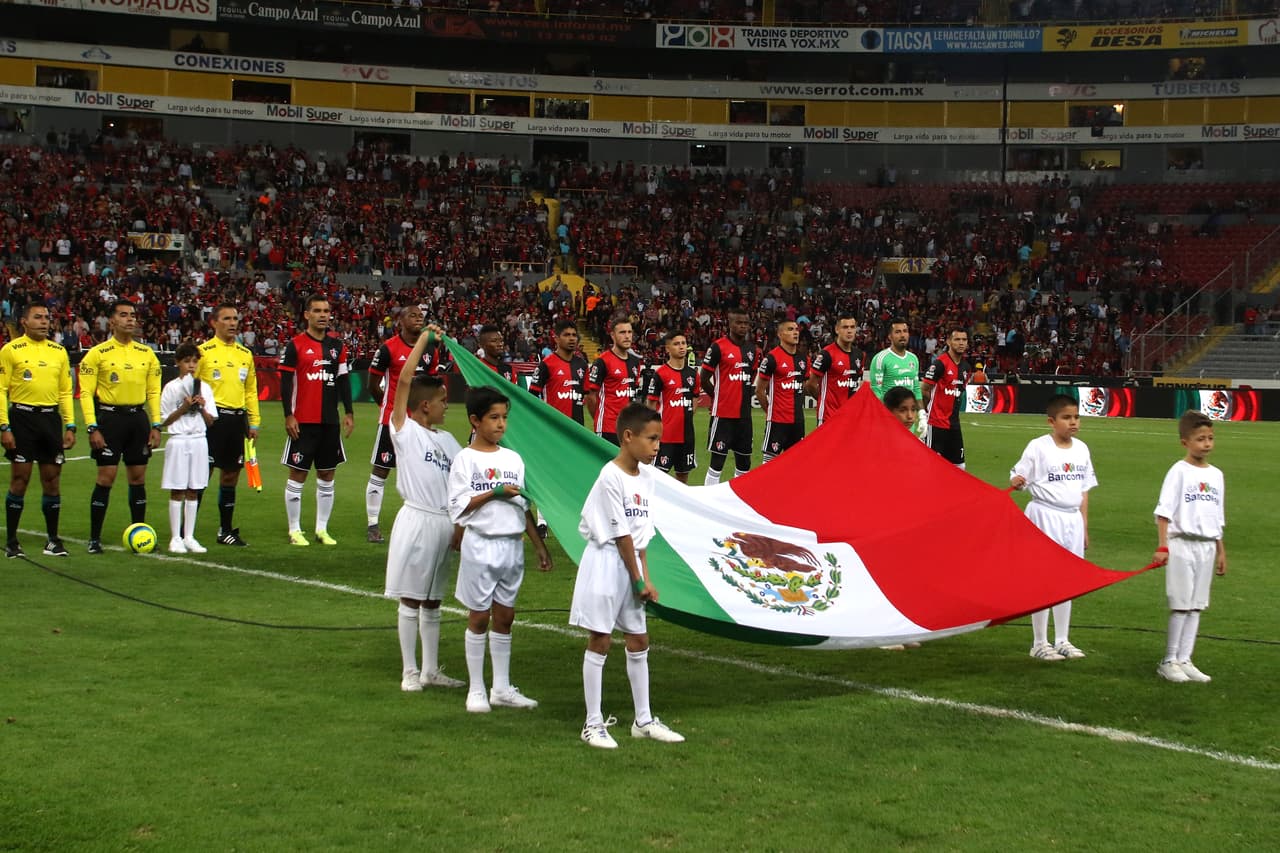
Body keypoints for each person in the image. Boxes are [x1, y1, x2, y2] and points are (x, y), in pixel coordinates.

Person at [571, 403, 685, 749]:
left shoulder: (647, 478)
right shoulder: (610, 476)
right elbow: (620, 535)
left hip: (631, 561)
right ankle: (592, 723)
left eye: (659, 440)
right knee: (600, 640)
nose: (657, 446)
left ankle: (643, 719)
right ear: (628, 437)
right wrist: (638, 581)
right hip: (606, 563)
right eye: (651, 439)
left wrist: (645, 577)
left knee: (638, 641)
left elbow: (640, 536)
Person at [448, 385, 552, 713]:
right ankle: (476, 689)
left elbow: (522, 506)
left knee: (505, 615)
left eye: (504, 417)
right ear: (475, 421)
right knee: (479, 616)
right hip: (481, 544)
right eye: (494, 417)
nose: (501, 424)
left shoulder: (513, 459)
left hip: (511, 546)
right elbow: (458, 507)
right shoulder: (465, 459)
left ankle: (502, 687)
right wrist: (493, 492)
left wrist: (538, 547)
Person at [382, 324, 466, 692]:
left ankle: (431, 669)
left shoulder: (448, 440)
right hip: (417, 518)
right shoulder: (404, 430)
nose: (447, 406)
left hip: (444, 523)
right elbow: (402, 383)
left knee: (433, 600)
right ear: (425, 406)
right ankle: (409, 671)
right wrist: (423, 340)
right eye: (443, 401)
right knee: (411, 597)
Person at [1010, 394, 1097, 661]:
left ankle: (1062, 639)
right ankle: (1039, 642)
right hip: (1044, 516)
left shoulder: (1082, 449)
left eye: (1076, 417)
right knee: (1043, 578)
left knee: (1067, 580)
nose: (1073, 422)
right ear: (1052, 421)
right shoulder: (1038, 447)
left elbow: (1084, 490)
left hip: (1071, 519)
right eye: (1066, 417)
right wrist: (1018, 480)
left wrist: (1084, 525)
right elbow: (1017, 474)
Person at [79, 300, 162, 554]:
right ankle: (94, 539)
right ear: (111, 321)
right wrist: (92, 428)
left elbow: (153, 391)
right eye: (123, 315)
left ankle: (140, 533)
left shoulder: (147, 354)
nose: (130, 319)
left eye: (133, 315)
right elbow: (85, 393)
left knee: (138, 478)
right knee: (106, 477)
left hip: (138, 419)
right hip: (110, 419)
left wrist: (156, 424)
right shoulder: (97, 354)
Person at [1152, 411, 1226, 683]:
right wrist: (1163, 546)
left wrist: (1221, 551)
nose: (1206, 444)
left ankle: (1186, 658)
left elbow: (1217, 516)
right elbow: (1164, 512)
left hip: (1206, 546)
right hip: (1182, 544)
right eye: (1200, 439)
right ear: (1185, 442)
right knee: (1181, 604)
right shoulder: (1178, 472)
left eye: (1210, 438)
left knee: (1196, 606)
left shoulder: (1217, 475)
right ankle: (1169, 660)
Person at [0, 304, 75, 558]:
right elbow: (1, 390)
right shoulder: (11, 350)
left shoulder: (59, 352)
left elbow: (65, 391)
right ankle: (11, 541)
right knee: (20, 480)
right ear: (24, 321)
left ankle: (53, 541)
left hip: (50, 420)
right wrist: (4, 427)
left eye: (47, 318)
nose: (44, 322)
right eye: (38, 317)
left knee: (52, 480)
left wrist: (70, 425)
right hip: (22, 418)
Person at [278, 295, 354, 546]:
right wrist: (288, 414)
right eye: (317, 311)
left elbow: (343, 380)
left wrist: (349, 412)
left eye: (326, 311)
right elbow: (286, 381)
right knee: (297, 474)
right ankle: (294, 530)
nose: (323, 315)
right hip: (303, 421)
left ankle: (322, 530)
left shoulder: (337, 347)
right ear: (307, 315)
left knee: (327, 475)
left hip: (330, 422)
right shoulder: (295, 345)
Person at [365, 305, 440, 544]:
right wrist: (387, 409)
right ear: (400, 321)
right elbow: (373, 384)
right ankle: (373, 524)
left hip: (419, 423)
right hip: (393, 421)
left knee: (423, 472)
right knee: (381, 469)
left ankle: (422, 522)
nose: (418, 318)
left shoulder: (430, 350)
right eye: (413, 315)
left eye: (421, 316)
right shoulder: (388, 348)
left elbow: (431, 385)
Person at [197, 303, 260, 548]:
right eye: (227, 318)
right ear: (214, 322)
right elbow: (191, 387)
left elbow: (251, 391)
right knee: (202, 476)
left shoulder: (245, 354)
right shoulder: (203, 352)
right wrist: (200, 412)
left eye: (235, 318)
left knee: (231, 476)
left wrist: (254, 422)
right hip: (211, 421)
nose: (233, 323)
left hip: (236, 420)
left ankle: (225, 530)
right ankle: (186, 530)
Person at [159, 342, 218, 554]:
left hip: (199, 439)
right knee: (178, 488)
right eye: (186, 361)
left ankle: (189, 536)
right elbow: (165, 420)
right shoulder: (171, 388)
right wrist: (184, 408)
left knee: (194, 489)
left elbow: (211, 421)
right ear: (178, 363)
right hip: (179, 438)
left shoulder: (205, 388)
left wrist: (201, 407)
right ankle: (175, 537)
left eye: (194, 361)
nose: (191, 366)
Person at [700, 309, 758, 485]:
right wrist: (717, 396)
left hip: (745, 417)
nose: (742, 326)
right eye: (739, 323)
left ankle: (737, 504)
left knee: (744, 464)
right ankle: (709, 504)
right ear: (730, 324)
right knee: (717, 463)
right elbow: (703, 379)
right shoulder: (718, 347)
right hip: (723, 415)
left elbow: (752, 375)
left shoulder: (751, 349)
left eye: (746, 323)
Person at [644, 330, 700, 483]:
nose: (681, 347)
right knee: (657, 478)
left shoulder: (693, 374)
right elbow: (650, 404)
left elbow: (695, 398)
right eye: (676, 344)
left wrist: (686, 415)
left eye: (683, 343)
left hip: (687, 436)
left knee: (683, 476)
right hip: (665, 437)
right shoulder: (661, 374)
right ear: (667, 349)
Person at [584, 317, 644, 445]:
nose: (627, 336)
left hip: (628, 427)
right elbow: (591, 397)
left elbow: (631, 396)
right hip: (607, 427)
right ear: (612, 335)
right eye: (622, 332)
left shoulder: (635, 362)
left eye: (629, 332)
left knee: (628, 465)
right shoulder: (602, 362)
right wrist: (600, 419)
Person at [755, 319, 807, 463]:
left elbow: (806, 385)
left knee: (795, 465)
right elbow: (759, 391)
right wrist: (771, 411)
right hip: (777, 421)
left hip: (798, 422)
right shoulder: (771, 358)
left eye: (796, 329)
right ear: (780, 334)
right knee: (769, 464)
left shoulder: (803, 359)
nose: (795, 332)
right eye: (790, 329)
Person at [921, 327, 970, 468]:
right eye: (957, 339)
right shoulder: (940, 364)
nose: (961, 343)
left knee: (959, 467)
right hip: (936, 424)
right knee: (931, 466)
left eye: (964, 340)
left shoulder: (966, 367)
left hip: (954, 424)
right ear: (949, 341)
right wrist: (926, 414)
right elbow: (925, 390)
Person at [804, 312, 861, 427]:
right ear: (837, 330)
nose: (849, 331)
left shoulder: (859, 355)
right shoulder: (826, 354)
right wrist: (823, 402)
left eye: (852, 327)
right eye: (845, 327)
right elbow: (810, 385)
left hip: (850, 417)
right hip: (829, 417)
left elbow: (855, 385)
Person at [528, 319, 587, 426]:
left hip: (578, 429)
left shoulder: (582, 364)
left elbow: (587, 395)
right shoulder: (546, 364)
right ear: (556, 339)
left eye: (574, 335)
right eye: (567, 335)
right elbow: (532, 396)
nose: (572, 338)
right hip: (553, 428)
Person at [869, 318, 923, 435]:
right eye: (898, 332)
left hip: (908, 422)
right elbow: (876, 391)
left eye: (905, 331)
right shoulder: (881, 358)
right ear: (890, 336)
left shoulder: (913, 359)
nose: (902, 335)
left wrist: (922, 413)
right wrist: (885, 416)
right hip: (888, 421)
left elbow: (916, 389)